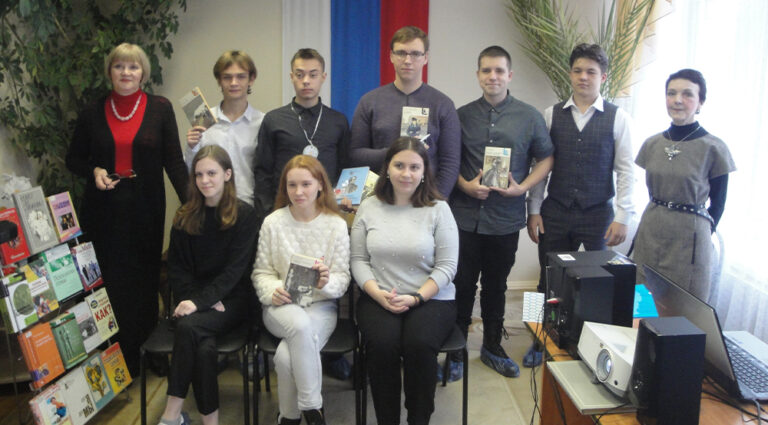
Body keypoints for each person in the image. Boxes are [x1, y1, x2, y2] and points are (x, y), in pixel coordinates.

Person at [66, 42, 188, 376]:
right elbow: (73, 159)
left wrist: (194, 203)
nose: (126, 72)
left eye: (133, 67)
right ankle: (117, 356)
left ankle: (148, 350)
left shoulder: (160, 108)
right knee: (109, 283)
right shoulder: (92, 111)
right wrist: (94, 170)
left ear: (143, 73)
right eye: (119, 66)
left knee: (144, 281)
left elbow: (174, 162)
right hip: (103, 211)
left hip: (145, 209)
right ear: (110, 71)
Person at [449, 46, 554, 380]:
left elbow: (546, 158)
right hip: (464, 217)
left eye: (499, 71)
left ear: (510, 75)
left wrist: (523, 189)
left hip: (505, 219)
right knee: (462, 285)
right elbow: (447, 160)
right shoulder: (460, 116)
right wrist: (465, 186)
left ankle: (493, 346)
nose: (492, 76)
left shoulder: (530, 116)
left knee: (496, 286)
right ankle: (455, 351)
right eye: (486, 70)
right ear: (478, 75)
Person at [351, 137, 458, 425]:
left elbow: (447, 266)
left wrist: (417, 297)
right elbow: (358, 260)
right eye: (399, 165)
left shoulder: (439, 209)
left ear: (424, 171)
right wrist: (377, 294)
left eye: (414, 167)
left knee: (419, 344)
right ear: (387, 168)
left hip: (431, 298)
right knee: (382, 345)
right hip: (379, 295)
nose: (406, 174)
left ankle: (418, 419)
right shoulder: (369, 206)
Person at [158, 145, 258, 425]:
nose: (205, 180)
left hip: (233, 301)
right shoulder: (184, 215)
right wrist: (196, 302)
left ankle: (171, 415)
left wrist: (201, 302)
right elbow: (177, 270)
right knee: (203, 348)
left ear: (227, 174)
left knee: (189, 327)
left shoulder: (245, 215)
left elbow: (236, 272)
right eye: (199, 174)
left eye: (211, 173)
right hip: (194, 300)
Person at [252, 155, 350, 425]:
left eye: (306, 184)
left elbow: (342, 278)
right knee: (299, 325)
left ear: (320, 185)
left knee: (285, 357)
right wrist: (273, 290)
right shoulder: (273, 223)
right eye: (291, 185)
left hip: (321, 307)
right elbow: (261, 272)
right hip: (280, 307)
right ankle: (313, 408)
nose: (298, 192)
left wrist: (325, 283)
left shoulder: (336, 224)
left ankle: (289, 417)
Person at [633, 69, 735, 300]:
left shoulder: (714, 148)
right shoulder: (652, 144)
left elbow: (718, 204)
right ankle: (642, 326)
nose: (677, 100)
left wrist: (699, 233)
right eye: (671, 93)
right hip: (651, 228)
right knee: (643, 298)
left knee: (682, 304)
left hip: (690, 237)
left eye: (687, 94)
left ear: (700, 102)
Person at [349, 26, 461, 198]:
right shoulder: (369, 101)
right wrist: (396, 152)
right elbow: (355, 155)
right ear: (391, 56)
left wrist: (434, 201)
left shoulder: (443, 105)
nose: (408, 60)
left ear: (425, 58)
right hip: (379, 199)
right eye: (401, 53)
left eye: (415, 54)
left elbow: (450, 163)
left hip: (425, 200)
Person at [253, 48, 349, 222]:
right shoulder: (274, 120)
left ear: (323, 77)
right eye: (300, 75)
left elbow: (345, 168)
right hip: (282, 212)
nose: (306, 81)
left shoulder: (338, 121)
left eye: (313, 75)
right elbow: (262, 172)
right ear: (291, 77)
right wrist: (268, 214)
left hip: (326, 214)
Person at [184, 50, 264, 206]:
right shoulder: (203, 119)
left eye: (241, 77)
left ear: (251, 79)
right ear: (219, 81)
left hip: (248, 206)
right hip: (211, 205)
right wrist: (191, 147)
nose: (234, 83)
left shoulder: (262, 122)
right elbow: (192, 171)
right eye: (227, 77)